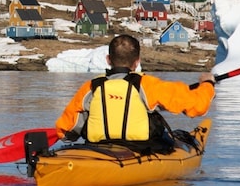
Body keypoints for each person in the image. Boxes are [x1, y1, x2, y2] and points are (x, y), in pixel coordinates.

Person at [55, 34, 215, 147]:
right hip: (141, 150)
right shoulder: (148, 85)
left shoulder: (91, 87)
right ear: (137, 61)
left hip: (97, 149)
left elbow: (66, 132)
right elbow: (198, 107)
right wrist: (207, 84)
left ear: (109, 60)